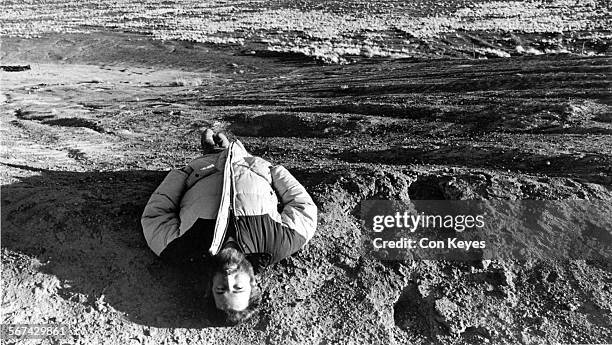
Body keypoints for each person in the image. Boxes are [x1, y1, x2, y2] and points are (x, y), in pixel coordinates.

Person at [141, 129, 317, 324]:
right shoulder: (278, 243)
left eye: (221, 289)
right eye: (238, 288)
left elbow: (155, 216)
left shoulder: (180, 249)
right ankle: (225, 149)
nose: (229, 279)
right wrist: (273, 172)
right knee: (235, 151)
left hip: (203, 170)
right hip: (249, 165)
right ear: (253, 284)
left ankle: (212, 151)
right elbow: (303, 208)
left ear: (209, 288)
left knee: (211, 153)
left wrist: (182, 175)